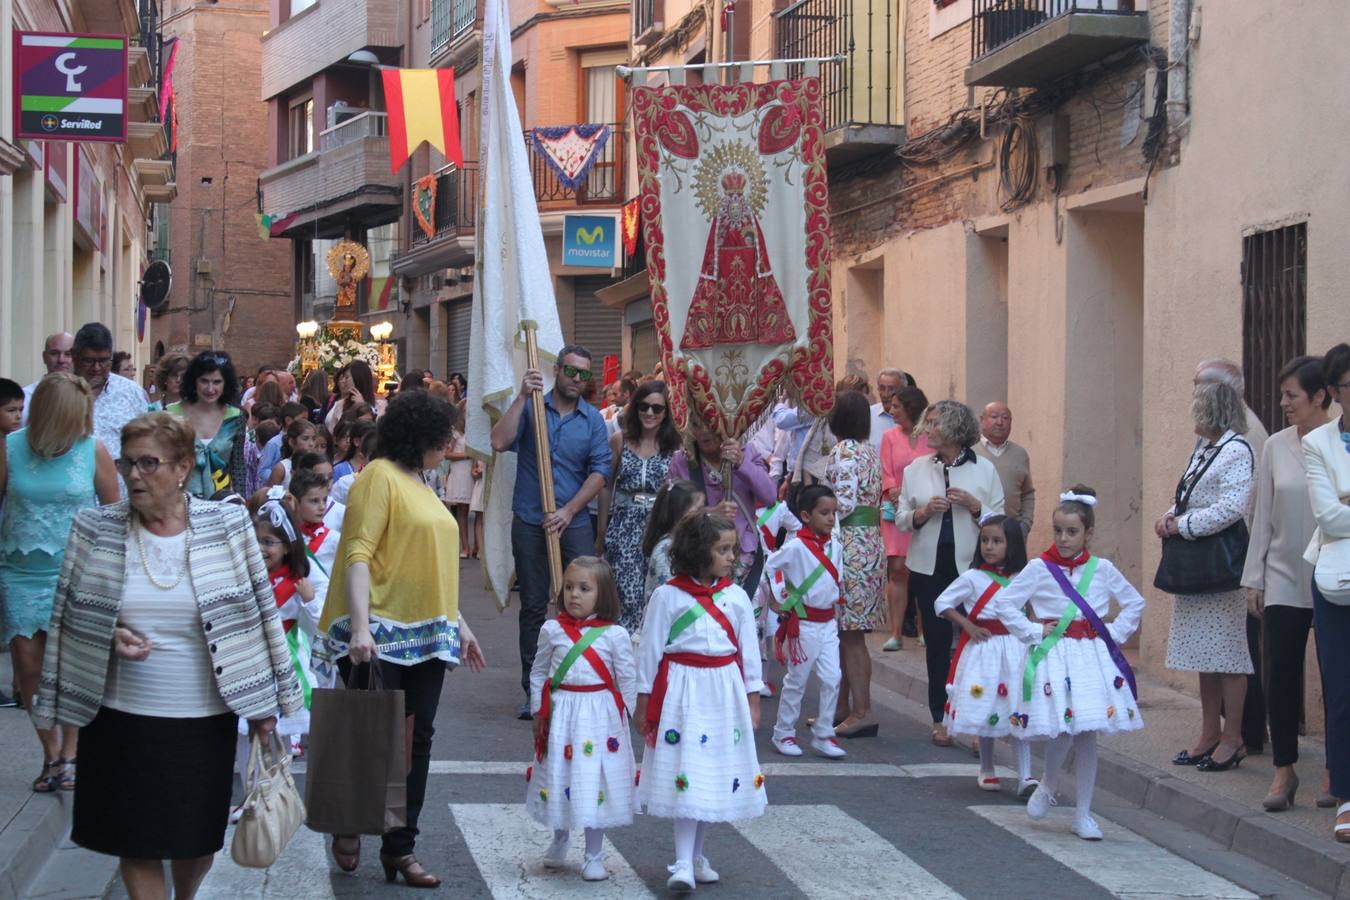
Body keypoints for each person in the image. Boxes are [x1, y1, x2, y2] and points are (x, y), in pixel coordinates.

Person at [32, 411, 302, 899]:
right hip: (119, 718)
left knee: (195, 841)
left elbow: (258, 614)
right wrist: (108, 630)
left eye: (148, 463)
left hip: (202, 719)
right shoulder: (94, 528)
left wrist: (266, 708)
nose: (134, 474)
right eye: (127, 463)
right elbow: (68, 618)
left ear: (181, 468)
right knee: (134, 842)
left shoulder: (227, 524)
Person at [315, 390, 486, 886]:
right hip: (382, 631)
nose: (451, 442)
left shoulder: (423, 482)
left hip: (430, 633)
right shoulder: (378, 478)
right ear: (420, 436)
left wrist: (459, 623)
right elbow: (360, 553)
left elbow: (425, 565)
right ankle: (348, 820)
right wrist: (362, 628)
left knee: (417, 743)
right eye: (445, 435)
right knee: (370, 737)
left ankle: (400, 847)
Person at [991, 487, 1145, 841]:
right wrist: (1032, 630)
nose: (1063, 538)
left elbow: (1134, 603)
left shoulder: (1102, 569)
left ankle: (1083, 814)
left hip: (1090, 658)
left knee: (1088, 733)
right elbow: (1005, 605)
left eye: (1072, 532)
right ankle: (1047, 784)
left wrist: (1112, 635)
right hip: (1055, 656)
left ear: (1089, 533)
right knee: (1064, 727)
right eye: (1058, 530)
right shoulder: (1039, 568)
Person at [634, 512, 765, 892]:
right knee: (687, 772)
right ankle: (682, 862)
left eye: (732, 550)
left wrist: (753, 700)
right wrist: (644, 701)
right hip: (682, 692)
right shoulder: (667, 595)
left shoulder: (737, 596)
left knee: (711, 775)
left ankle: (697, 856)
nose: (731, 558)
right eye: (722, 550)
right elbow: (651, 651)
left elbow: (750, 654)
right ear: (697, 552)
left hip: (723, 690)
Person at [1, 374, 120, 791]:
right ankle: (50, 754)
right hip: (19, 572)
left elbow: (114, 515)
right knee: (28, 666)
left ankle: (71, 752)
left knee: (71, 669)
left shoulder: (93, 450)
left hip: (76, 573)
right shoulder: (10, 448)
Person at [490, 345, 612, 720]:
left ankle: (578, 678)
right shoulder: (531, 407)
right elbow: (498, 441)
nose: (576, 379)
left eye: (584, 374)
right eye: (571, 371)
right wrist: (523, 395)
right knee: (532, 606)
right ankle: (535, 687)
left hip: (572, 523)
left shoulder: (592, 420)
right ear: (557, 370)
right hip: (529, 520)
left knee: (580, 603)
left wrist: (568, 510)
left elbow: (600, 471)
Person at [1242, 356, 1333, 811]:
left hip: (1336, 575)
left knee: (1337, 676)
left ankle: (1338, 769)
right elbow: (1262, 515)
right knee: (1279, 671)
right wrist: (1255, 577)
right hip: (1282, 572)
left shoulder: (1340, 443)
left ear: (1320, 396)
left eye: (1291, 395)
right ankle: (1284, 770)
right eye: (1282, 395)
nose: (1283, 404)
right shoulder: (1275, 446)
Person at [1158, 379, 1256, 773]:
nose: (1193, 415)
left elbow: (1231, 507)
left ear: (1213, 410)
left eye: (1198, 407)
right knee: (1204, 653)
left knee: (1229, 654)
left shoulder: (1236, 450)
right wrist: (1168, 515)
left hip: (1221, 566)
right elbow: (1188, 493)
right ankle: (1207, 733)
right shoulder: (1205, 447)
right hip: (1198, 564)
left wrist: (1182, 526)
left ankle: (1233, 738)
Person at [897, 399, 1006, 746]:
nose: (926, 430)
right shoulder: (915, 469)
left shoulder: (984, 470)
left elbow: (999, 520)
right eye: (926, 423)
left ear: (955, 429)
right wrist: (924, 512)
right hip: (929, 566)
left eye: (933, 423)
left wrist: (976, 507)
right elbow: (901, 517)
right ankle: (940, 717)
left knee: (976, 642)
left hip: (972, 566)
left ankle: (975, 719)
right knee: (938, 644)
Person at [528, 557, 637, 882]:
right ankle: (560, 837)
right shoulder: (552, 630)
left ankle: (593, 854)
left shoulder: (616, 634)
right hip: (562, 716)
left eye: (584, 589)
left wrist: (633, 715)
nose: (574, 594)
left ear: (603, 595)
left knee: (594, 782)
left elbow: (627, 678)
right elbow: (539, 671)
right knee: (560, 777)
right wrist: (538, 709)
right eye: (570, 587)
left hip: (600, 719)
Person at [1195, 358, 1269, 753]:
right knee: (1220, 649)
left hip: (1235, 557)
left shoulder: (1245, 433)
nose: (1194, 394)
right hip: (1220, 555)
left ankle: (1246, 733)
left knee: (1238, 650)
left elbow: (1243, 505)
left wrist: (1185, 525)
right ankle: (1221, 731)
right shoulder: (1212, 432)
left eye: (1199, 386)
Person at [936, 514, 1035, 796]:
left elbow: (1034, 606)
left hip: (1016, 651)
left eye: (997, 541)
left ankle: (1026, 775)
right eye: (985, 541)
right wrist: (967, 624)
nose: (989, 547)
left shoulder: (1023, 577)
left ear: (1013, 545)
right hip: (985, 651)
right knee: (987, 709)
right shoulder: (972, 578)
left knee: (1019, 710)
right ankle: (987, 767)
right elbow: (942, 602)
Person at [1302, 343, 1350, 843]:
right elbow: (1329, 517)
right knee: (1341, 689)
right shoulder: (1318, 443)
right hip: (1337, 581)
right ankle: (1346, 795)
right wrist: (1341, 507)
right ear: (1335, 391)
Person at [237, 487, 321, 770]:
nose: (262, 548)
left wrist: (309, 602)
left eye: (270, 542)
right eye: (257, 541)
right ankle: (250, 799)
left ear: (286, 546)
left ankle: (276, 799)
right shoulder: (244, 578)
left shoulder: (297, 583)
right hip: (248, 665)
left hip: (283, 668)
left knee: (278, 738)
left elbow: (313, 630)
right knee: (246, 736)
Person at [765, 484, 847, 759]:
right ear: (805, 515)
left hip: (828, 624)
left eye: (834, 513)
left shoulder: (836, 542)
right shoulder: (796, 546)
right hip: (805, 624)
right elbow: (772, 566)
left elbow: (838, 574)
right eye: (824, 513)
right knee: (797, 680)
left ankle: (824, 733)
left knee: (832, 677)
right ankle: (783, 732)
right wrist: (782, 596)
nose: (830, 518)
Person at [825, 389, 886, 738]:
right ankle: (844, 706)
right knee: (849, 632)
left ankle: (862, 709)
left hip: (849, 543)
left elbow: (843, 502)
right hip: (869, 540)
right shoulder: (868, 451)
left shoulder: (843, 451)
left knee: (849, 634)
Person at [600, 380, 678, 632]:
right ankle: (625, 661)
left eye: (657, 408)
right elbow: (605, 486)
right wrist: (601, 532)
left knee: (657, 596)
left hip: (661, 530)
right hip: (624, 528)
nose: (650, 413)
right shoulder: (619, 440)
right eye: (644, 406)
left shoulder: (675, 447)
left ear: (666, 412)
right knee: (626, 597)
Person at [669, 424, 777, 594]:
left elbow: (770, 496)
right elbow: (672, 512)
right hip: (699, 558)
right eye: (697, 425)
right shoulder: (682, 459)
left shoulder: (746, 452)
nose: (704, 431)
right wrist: (710, 514)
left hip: (742, 555)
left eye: (712, 426)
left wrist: (742, 463)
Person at [880, 385, 930, 651]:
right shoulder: (889, 436)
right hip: (897, 508)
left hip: (924, 511)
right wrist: (893, 490)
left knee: (922, 569)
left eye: (897, 406)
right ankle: (896, 632)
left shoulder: (929, 437)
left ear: (911, 408)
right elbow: (886, 471)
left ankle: (924, 629)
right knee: (898, 570)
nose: (891, 410)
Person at [166, 351, 246, 499]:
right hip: (180, 500)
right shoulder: (171, 414)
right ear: (194, 381)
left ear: (226, 383)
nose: (210, 389)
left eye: (217, 382)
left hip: (221, 502)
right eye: (204, 381)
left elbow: (238, 467)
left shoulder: (236, 416)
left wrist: (240, 503)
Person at [69, 323, 149, 462]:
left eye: (104, 361)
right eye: (89, 361)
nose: (96, 368)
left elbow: (147, 440)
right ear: (74, 357)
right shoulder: (58, 392)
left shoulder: (131, 392)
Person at [641, 481, 706, 616]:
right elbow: (671, 596)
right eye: (698, 510)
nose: (704, 515)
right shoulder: (664, 550)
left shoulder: (687, 542)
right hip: (668, 622)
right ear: (680, 513)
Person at [974, 401, 1035, 535]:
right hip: (977, 531)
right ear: (982, 420)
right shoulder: (971, 452)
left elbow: (1028, 493)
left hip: (1013, 532)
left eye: (1005, 418)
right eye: (994, 417)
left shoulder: (1020, 454)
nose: (1000, 422)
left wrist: (1025, 524)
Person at [292, 467, 341, 580]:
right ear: (295, 501)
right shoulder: (286, 537)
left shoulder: (334, 538)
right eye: (314, 501)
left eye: (324, 500)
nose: (322, 507)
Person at [19, 332, 74, 417]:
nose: (61, 360)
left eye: (68, 354)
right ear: (44, 357)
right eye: (54, 353)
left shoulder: (85, 396)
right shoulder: (25, 398)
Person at [443, 425, 474, 557]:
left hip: (472, 471)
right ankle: (465, 547)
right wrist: (466, 455)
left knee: (477, 510)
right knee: (462, 510)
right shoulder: (456, 433)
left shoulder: (475, 429)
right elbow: (447, 454)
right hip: (460, 471)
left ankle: (477, 547)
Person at [324, 361, 377, 432]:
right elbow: (332, 431)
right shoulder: (340, 404)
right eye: (342, 377)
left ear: (357, 378)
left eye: (347, 377)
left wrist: (362, 406)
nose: (343, 381)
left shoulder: (380, 405)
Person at [268, 418, 319, 489]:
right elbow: (270, 497)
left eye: (313, 439)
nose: (311, 444)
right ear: (292, 442)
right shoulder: (281, 468)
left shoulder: (318, 465)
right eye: (305, 439)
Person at [869, 367, 903, 448]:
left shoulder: (910, 417)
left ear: (902, 390)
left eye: (891, 389)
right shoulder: (868, 414)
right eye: (882, 388)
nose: (885, 394)